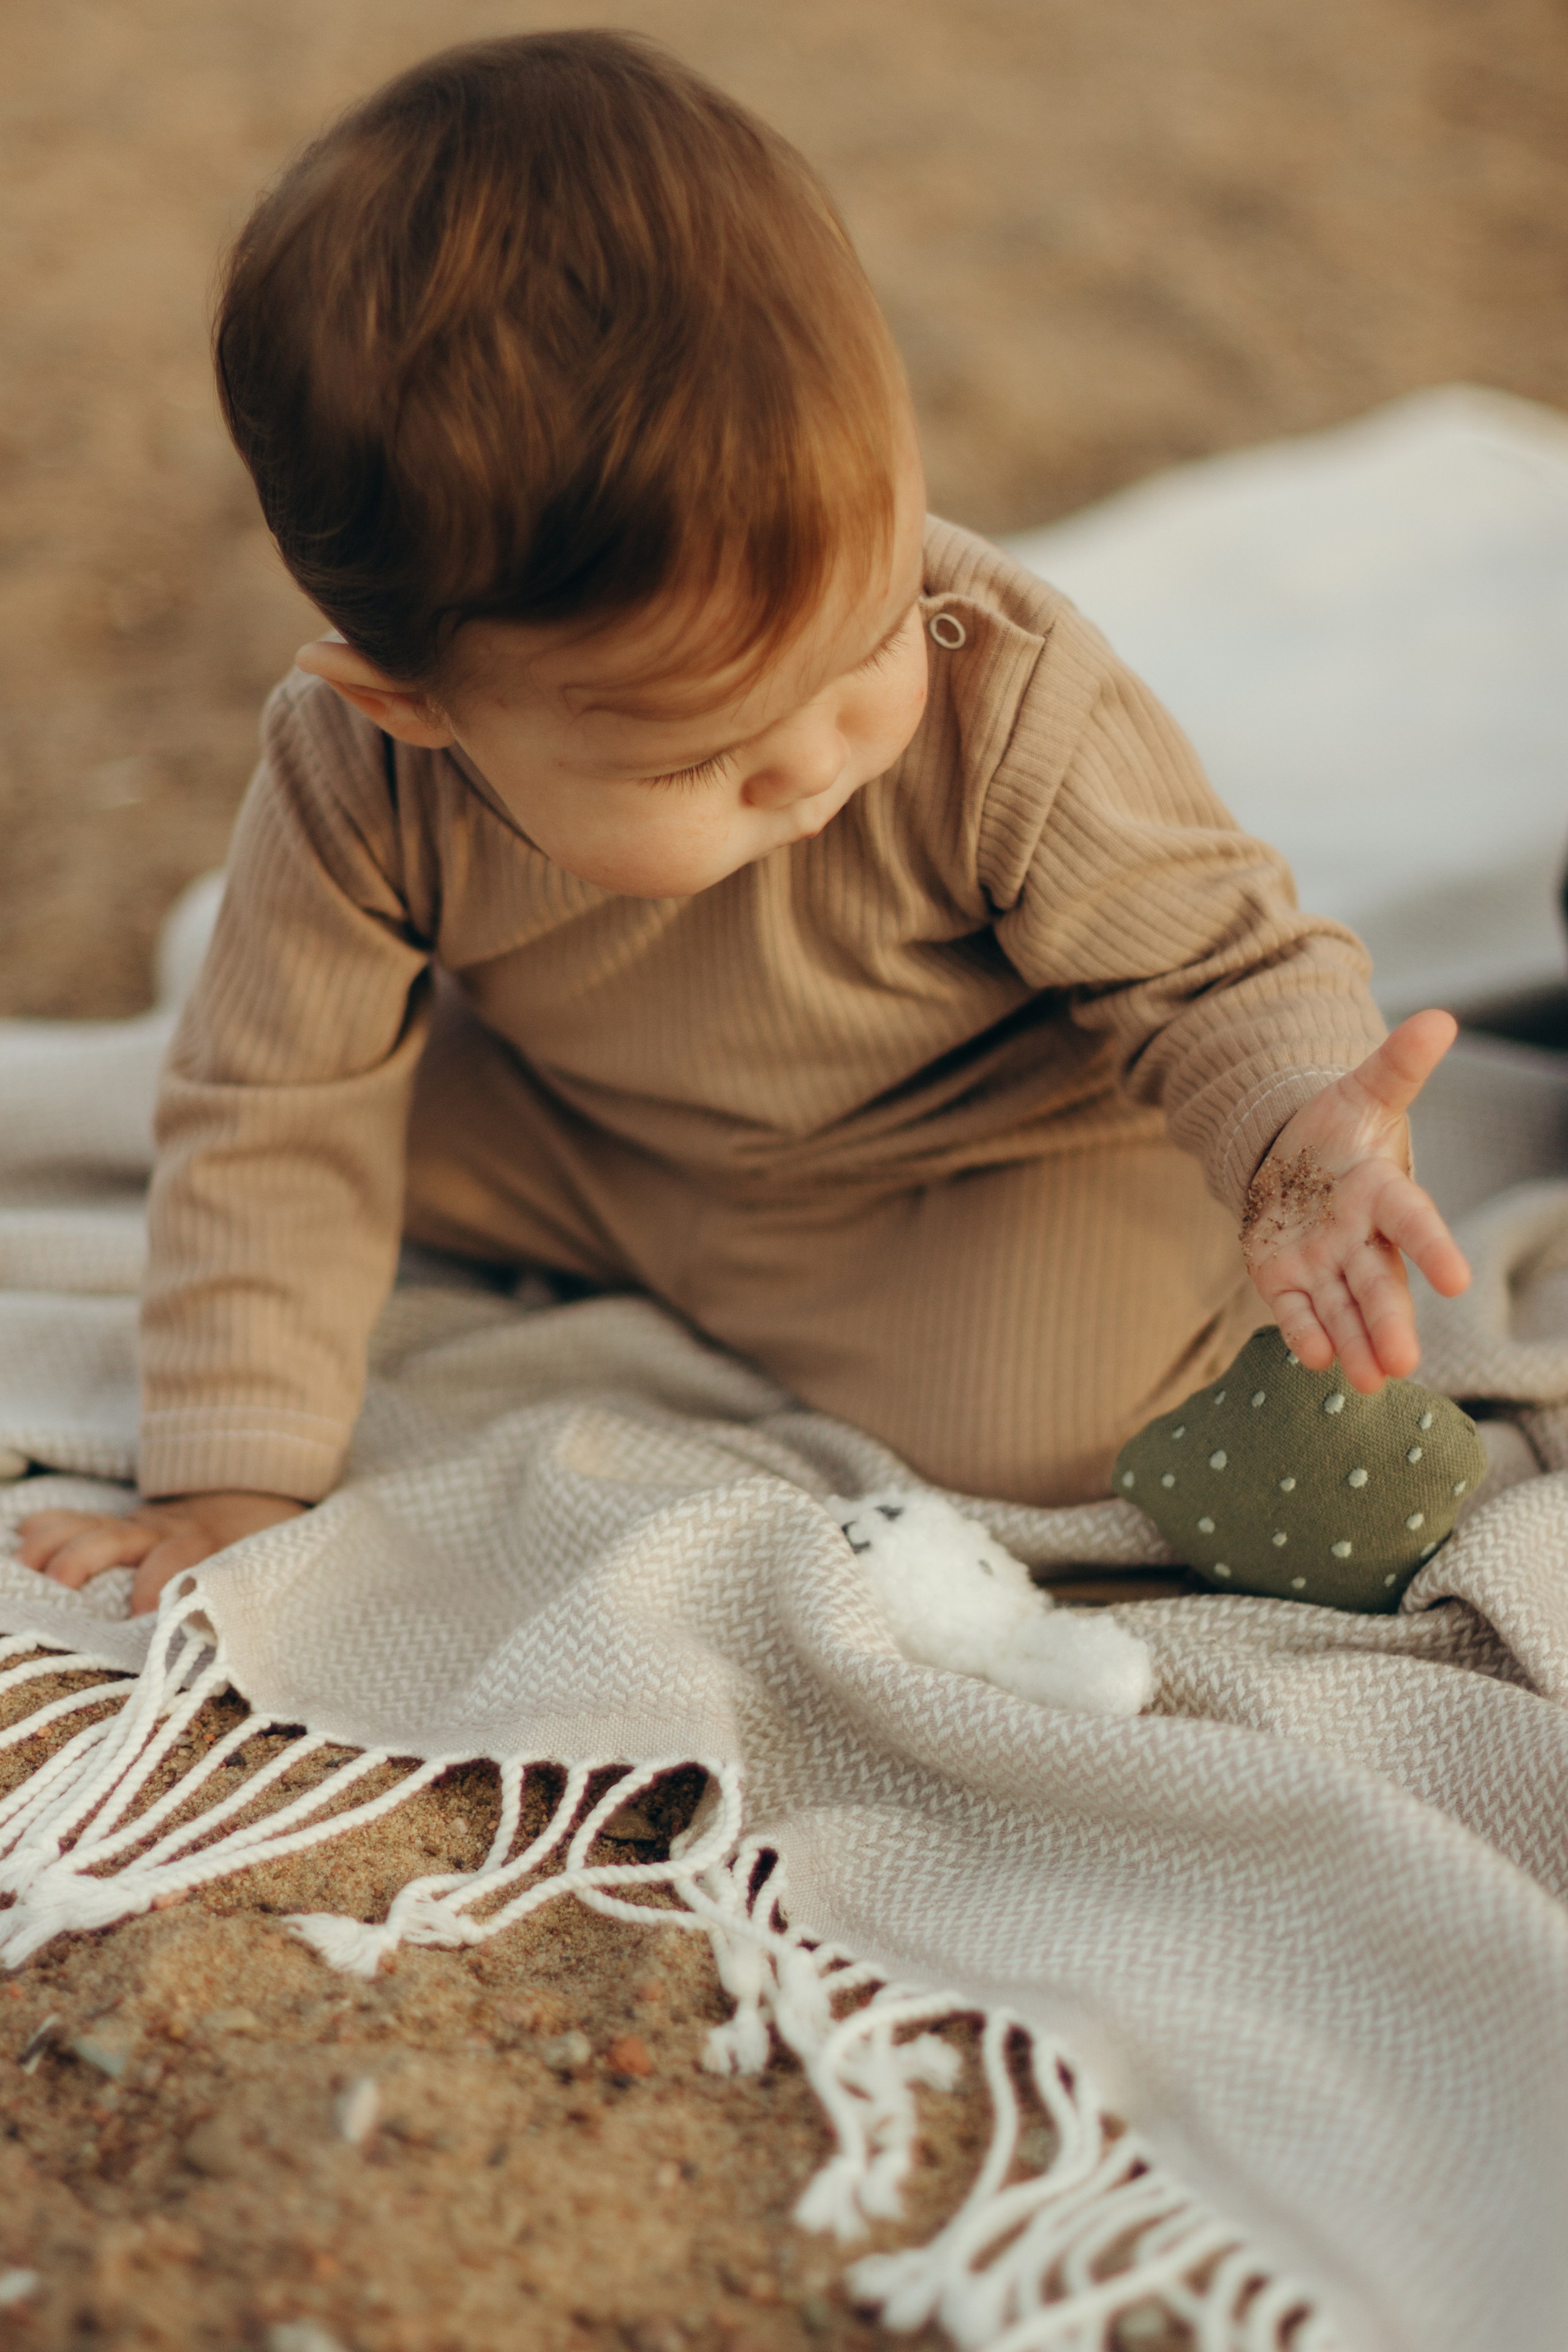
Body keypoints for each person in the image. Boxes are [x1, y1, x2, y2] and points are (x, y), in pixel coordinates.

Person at [18, 31, 1469, 1617]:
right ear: (413, 705)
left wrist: (1289, 1136)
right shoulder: (350, 777)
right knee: (280, 1129)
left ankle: (1250, 1392)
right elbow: (283, 1105)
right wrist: (232, 1475)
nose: (814, 759)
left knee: (1048, 1406)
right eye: (700, 751)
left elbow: (1214, 967)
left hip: (958, 1154)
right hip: (586, 1132)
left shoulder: (1002, 690)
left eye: (860, 649)